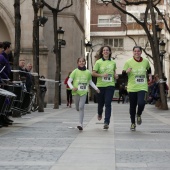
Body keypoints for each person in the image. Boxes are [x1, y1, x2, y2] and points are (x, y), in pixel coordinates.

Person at [122, 46, 152, 131]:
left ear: (141, 52)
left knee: (141, 103)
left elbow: (149, 69)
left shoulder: (145, 61)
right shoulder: (128, 62)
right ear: (133, 52)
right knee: (133, 106)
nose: (137, 53)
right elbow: (123, 74)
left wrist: (150, 76)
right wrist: (126, 71)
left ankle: (138, 114)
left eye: (138, 51)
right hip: (132, 87)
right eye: (135, 51)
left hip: (142, 86)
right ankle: (132, 123)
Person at [67, 57, 100, 131]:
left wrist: (96, 88)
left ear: (85, 62)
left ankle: (80, 124)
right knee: (77, 108)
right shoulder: (75, 71)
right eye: (80, 61)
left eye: (83, 61)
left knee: (81, 107)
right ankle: (79, 114)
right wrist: (72, 87)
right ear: (77, 63)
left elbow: (90, 82)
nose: (81, 62)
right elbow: (69, 81)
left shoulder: (88, 72)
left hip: (84, 92)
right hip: (76, 92)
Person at [92, 45, 118, 130]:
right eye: (104, 50)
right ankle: (99, 113)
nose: (106, 51)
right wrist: (102, 75)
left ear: (110, 52)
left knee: (108, 103)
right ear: (102, 52)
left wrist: (115, 75)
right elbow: (93, 73)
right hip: (100, 86)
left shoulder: (113, 62)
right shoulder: (98, 62)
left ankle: (106, 122)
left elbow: (114, 72)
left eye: (107, 50)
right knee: (100, 104)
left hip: (110, 85)